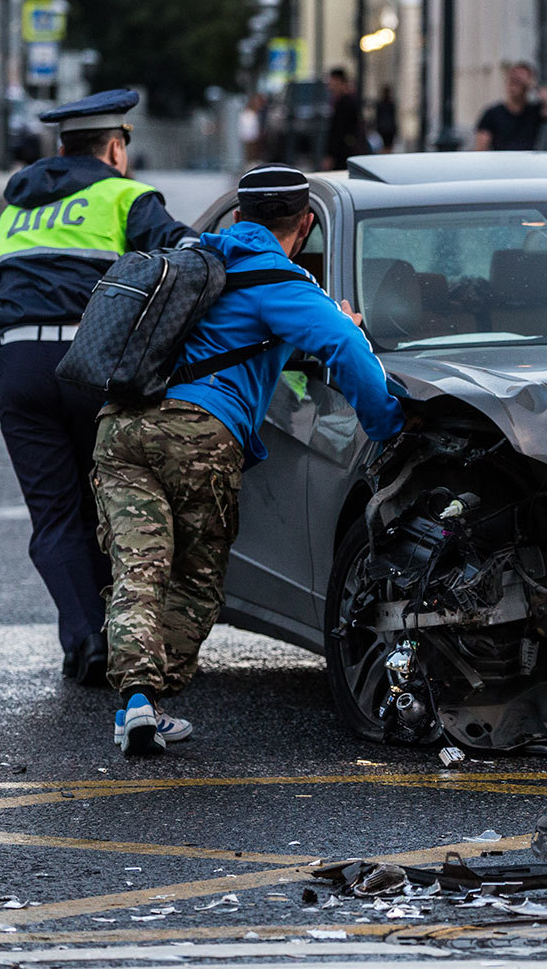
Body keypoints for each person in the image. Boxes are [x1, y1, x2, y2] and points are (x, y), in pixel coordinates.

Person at [93, 164, 407, 756]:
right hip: (197, 435)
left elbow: (237, 336)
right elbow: (343, 350)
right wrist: (387, 424)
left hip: (121, 429)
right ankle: (153, 698)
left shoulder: (193, 258)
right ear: (307, 225)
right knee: (193, 579)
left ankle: (135, 700)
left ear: (238, 218)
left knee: (138, 567)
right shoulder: (279, 280)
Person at [0, 89, 194, 686]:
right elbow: (186, 262)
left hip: (18, 368)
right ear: (114, 147)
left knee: (54, 517)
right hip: (92, 366)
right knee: (111, 505)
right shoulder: (126, 196)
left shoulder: (16, 209)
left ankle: (84, 641)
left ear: (59, 148)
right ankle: (115, 638)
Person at [474, 62, 547, 151]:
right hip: (501, 162)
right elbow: (481, 148)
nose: (513, 86)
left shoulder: (534, 111)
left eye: (518, 82)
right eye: (511, 81)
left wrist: (535, 86)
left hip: (527, 162)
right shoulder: (492, 113)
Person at [323, 67, 365, 170]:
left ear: (338, 81)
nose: (330, 85)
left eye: (331, 81)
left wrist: (331, 155)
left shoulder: (345, 103)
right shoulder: (343, 101)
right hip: (345, 151)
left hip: (344, 152)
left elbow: (339, 131)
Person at [374, 86, 399, 153]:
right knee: (388, 146)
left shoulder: (380, 104)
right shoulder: (391, 104)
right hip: (389, 128)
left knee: (385, 146)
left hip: (383, 128)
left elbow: (378, 117)